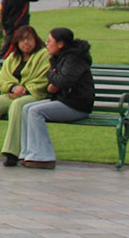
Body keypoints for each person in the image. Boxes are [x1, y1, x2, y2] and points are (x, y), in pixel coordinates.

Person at [0, 25, 51, 165]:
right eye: (22, 40)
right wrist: (13, 88)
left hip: (34, 95)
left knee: (17, 105)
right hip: (13, 93)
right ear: (17, 43)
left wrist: (24, 89)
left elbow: (43, 79)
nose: (26, 43)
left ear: (35, 40)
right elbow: (3, 79)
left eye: (29, 39)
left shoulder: (44, 55)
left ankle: (12, 152)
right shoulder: (12, 58)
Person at [20, 27, 94, 169]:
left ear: (60, 44)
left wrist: (51, 77)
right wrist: (54, 81)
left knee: (36, 112)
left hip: (76, 104)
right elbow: (57, 82)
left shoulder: (74, 58)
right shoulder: (60, 58)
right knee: (26, 108)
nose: (46, 44)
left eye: (49, 41)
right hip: (64, 100)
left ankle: (44, 156)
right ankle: (27, 153)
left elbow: (63, 81)